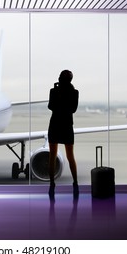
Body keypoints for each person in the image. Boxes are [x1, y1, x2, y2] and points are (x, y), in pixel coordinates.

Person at [47, 69, 79, 199]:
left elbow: (51, 106)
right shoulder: (75, 92)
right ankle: (75, 183)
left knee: (52, 155)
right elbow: (73, 109)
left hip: (55, 124)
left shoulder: (54, 91)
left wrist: (58, 95)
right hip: (66, 125)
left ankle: (52, 183)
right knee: (70, 155)